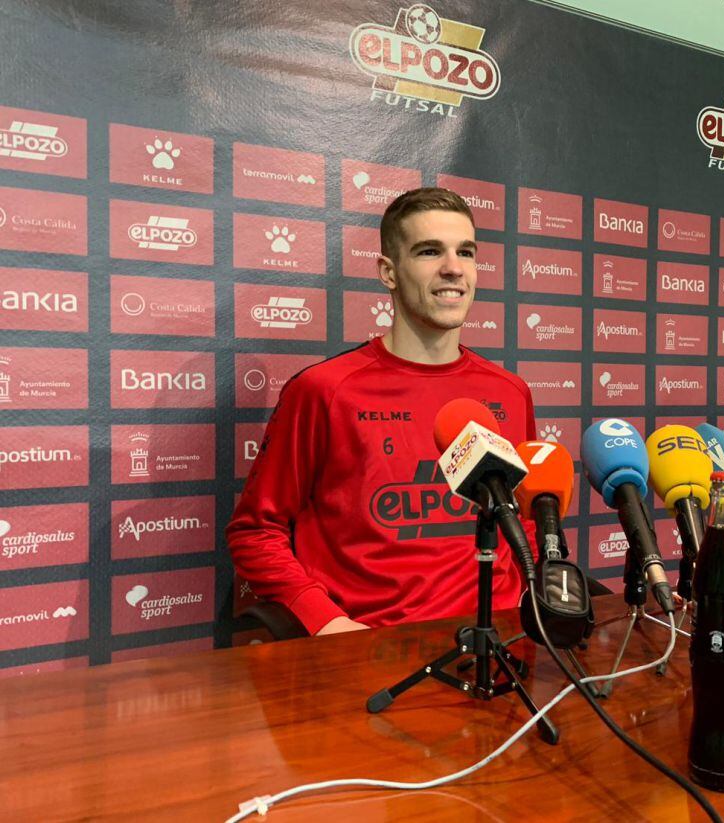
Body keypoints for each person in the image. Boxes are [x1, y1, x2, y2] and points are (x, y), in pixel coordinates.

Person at [227, 188, 537, 635]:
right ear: (388, 272)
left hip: (501, 640)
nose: (454, 268)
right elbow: (256, 532)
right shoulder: (325, 391)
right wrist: (326, 622)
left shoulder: (509, 392)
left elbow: (522, 522)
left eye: (465, 252)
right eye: (430, 251)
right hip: (371, 651)